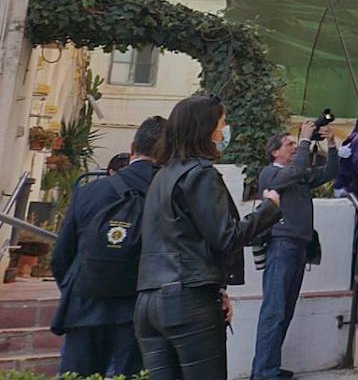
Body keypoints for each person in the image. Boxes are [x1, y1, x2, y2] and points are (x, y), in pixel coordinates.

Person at [135, 96, 282, 380]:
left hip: (149, 300)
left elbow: (177, 238)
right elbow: (226, 236)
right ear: (207, 128)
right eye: (222, 123)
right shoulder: (200, 174)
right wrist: (269, 209)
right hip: (187, 300)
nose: (225, 130)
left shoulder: (162, 176)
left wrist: (216, 290)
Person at [51, 116, 164, 377]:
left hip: (84, 306)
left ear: (133, 147)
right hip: (137, 313)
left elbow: (61, 257)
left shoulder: (90, 191)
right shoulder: (169, 193)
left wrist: (78, 287)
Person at [251, 120, 339, 380]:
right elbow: (297, 169)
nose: (293, 147)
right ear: (274, 152)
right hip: (281, 246)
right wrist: (304, 140)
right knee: (274, 311)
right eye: (288, 144)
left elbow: (328, 172)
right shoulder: (271, 173)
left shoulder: (296, 175)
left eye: (294, 144)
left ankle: (268, 368)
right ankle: (264, 372)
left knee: (284, 312)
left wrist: (331, 143)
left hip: (298, 248)